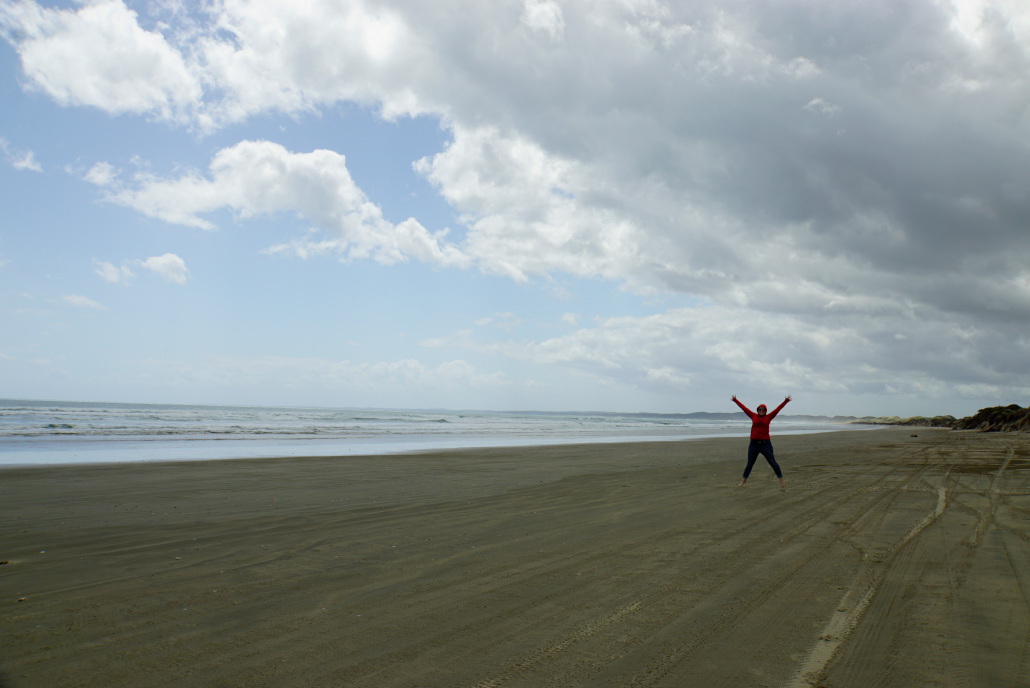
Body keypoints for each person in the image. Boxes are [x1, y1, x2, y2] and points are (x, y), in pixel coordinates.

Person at [732, 394, 791, 488]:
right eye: (760, 409)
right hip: (753, 444)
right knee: (750, 464)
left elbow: (777, 409)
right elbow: (744, 408)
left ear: (765, 411)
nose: (761, 411)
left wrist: (785, 401)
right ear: (757, 410)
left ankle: (781, 479)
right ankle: (743, 480)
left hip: (765, 444)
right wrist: (735, 400)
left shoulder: (769, 417)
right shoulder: (753, 416)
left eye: (763, 409)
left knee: (773, 462)